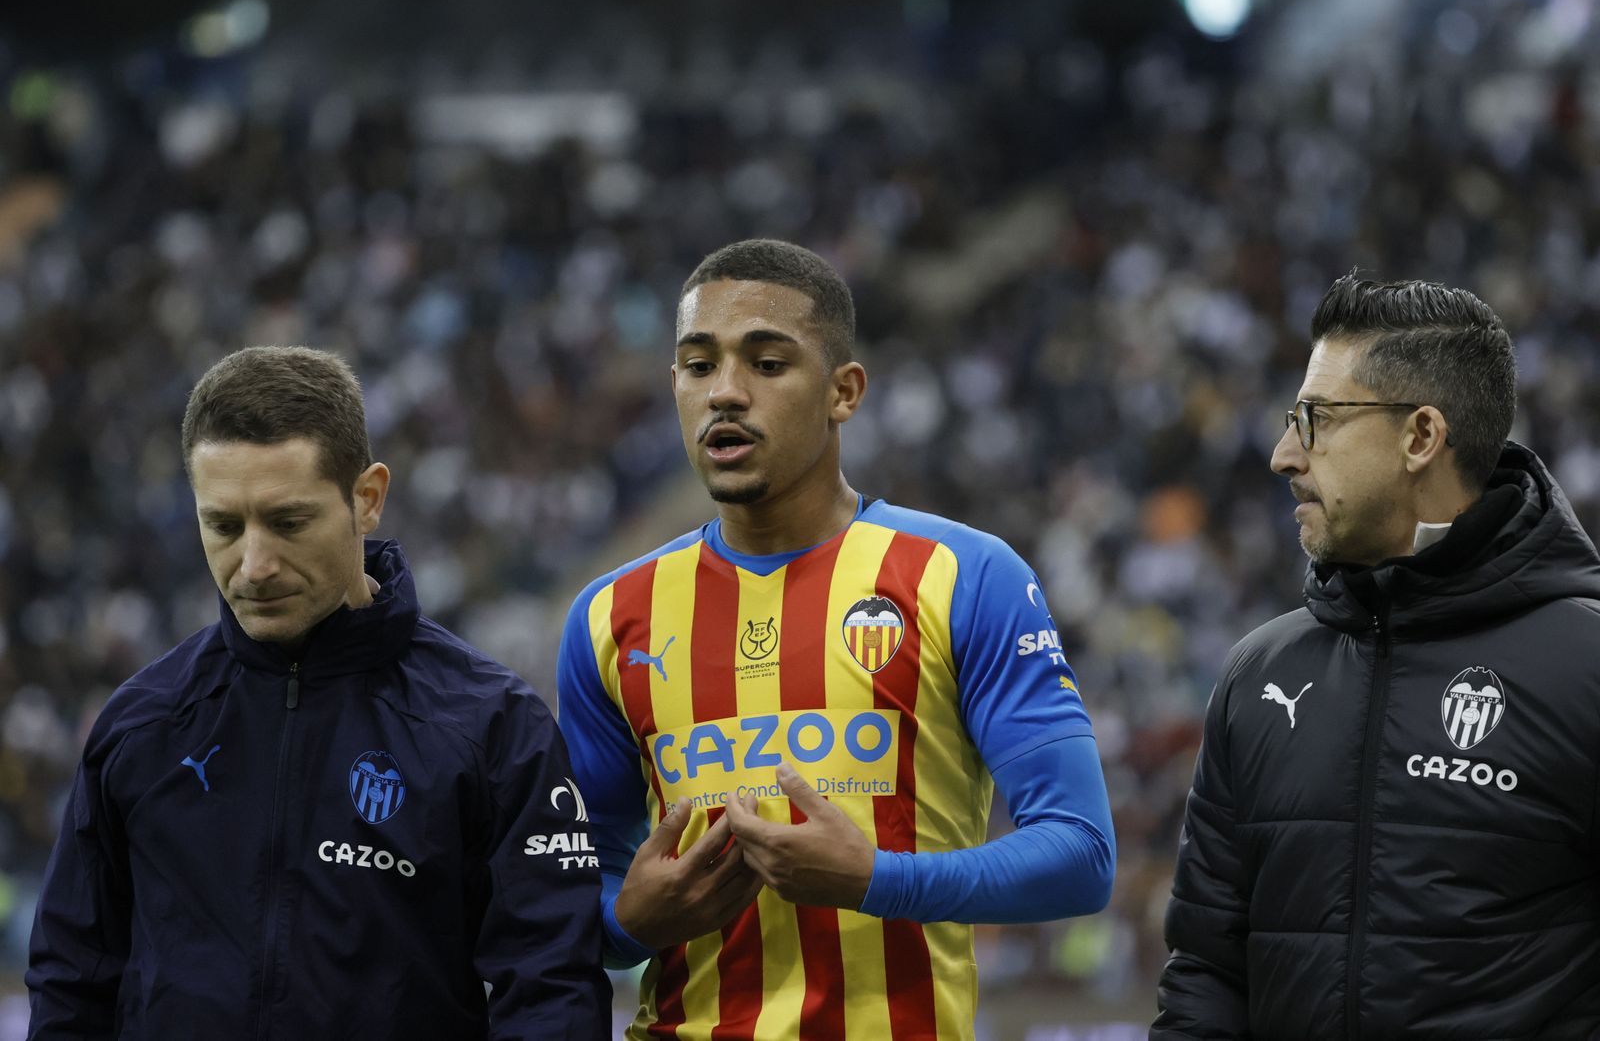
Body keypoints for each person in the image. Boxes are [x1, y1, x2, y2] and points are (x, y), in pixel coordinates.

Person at [557, 238, 1116, 1040]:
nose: (725, 393)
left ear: (843, 392)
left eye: (768, 363)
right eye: (697, 364)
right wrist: (626, 924)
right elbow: (582, 885)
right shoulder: (610, 617)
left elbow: (1081, 853)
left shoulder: (965, 575)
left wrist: (875, 878)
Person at [26, 347, 610, 1039]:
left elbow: (550, 991)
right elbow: (71, 984)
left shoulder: (493, 726)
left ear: (366, 498)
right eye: (223, 525)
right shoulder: (141, 726)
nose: (254, 564)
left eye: (288, 520)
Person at [1152, 273, 1600, 1040]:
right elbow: (1206, 974)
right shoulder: (1259, 674)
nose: (1283, 454)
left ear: (1420, 436)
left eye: (1316, 418)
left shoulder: (1586, 662)